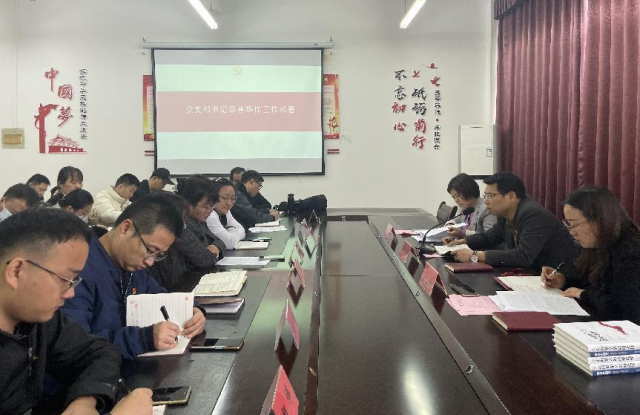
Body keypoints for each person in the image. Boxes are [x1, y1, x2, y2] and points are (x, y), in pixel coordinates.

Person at [0, 208, 152, 414]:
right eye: (65, 279)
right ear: (17, 271)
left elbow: (100, 352)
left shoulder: (39, 321)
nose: (71, 293)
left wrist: (85, 400)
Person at [61, 195, 206, 360]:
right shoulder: (78, 268)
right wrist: (144, 338)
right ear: (126, 228)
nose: (150, 262)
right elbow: (75, 346)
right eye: (150, 250)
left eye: (158, 255)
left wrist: (193, 310)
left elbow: (159, 295)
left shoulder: (130, 265)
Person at [542, 187, 640, 324]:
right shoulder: (596, 244)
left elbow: (622, 311)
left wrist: (584, 294)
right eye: (568, 224)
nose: (571, 232)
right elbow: (589, 282)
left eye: (574, 224)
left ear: (600, 220)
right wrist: (563, 280)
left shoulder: (631, 253)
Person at [449, 172, 576, 271]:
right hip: (532, 275)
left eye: (490, 196)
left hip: (560, 280)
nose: (486, 201)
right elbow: (490, 237)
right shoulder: (505, 213)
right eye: (485, 195)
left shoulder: (533, 214)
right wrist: (464, 241)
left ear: (511, 196)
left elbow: (523, 255)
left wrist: (475, 255)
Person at [177, 175, 226, 265]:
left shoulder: (198, 220)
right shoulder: (181, 226)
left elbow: (220, 241)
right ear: (188, 204)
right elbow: (204, 259)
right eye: (207, 207)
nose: (211, 211)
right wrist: (214, 252)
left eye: (212, 206)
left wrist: (216, 247)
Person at [444, 173, 497, 240]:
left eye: (457, 195)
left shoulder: (486, 209)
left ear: (468, 190)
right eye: (453, 197)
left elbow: (490, 238)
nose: (456, 200)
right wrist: (450, 225)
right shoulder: (464, 207)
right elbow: (457, 219)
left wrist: (463, 233)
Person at [207, 178, 246, 249]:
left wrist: (230, 233)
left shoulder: (225, 212)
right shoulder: (209, 215)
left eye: (232, 199)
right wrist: (233, 230)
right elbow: (229, 244)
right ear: (213, 196)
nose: (229, 203)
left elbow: (242, 230)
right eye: (225, 198)